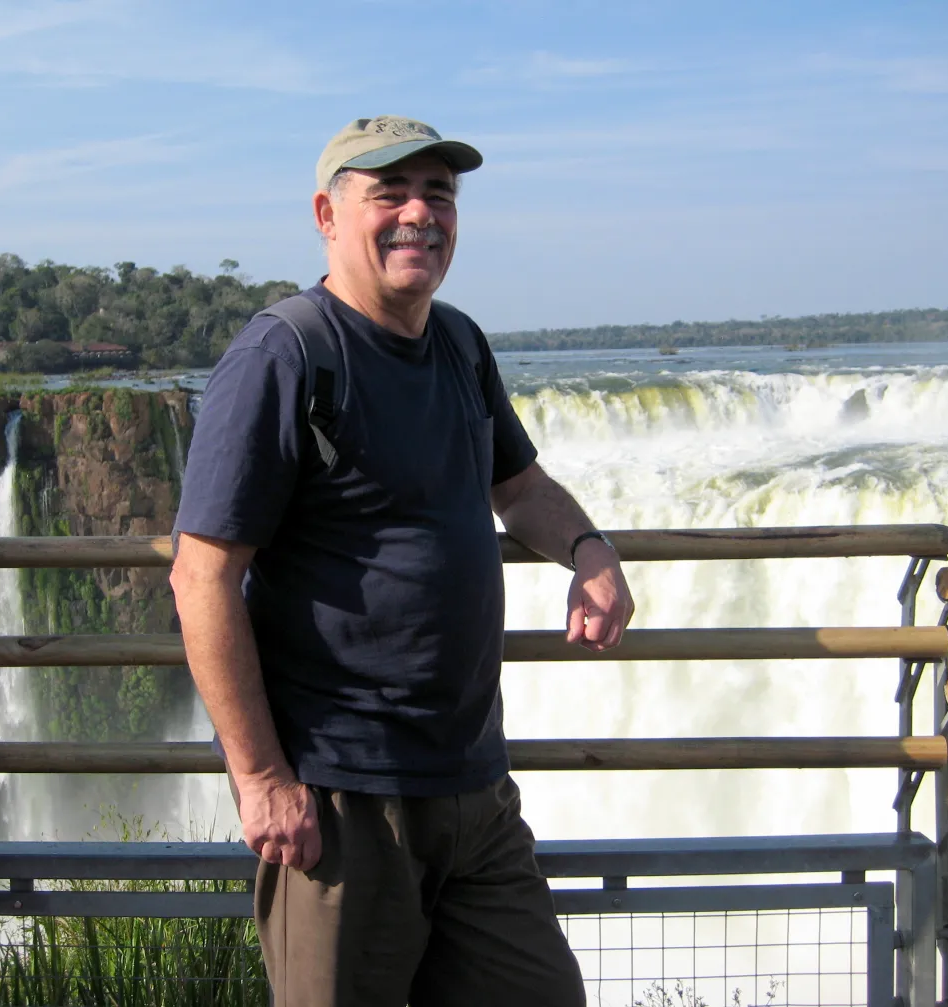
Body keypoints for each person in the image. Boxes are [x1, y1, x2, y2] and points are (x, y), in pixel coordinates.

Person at [170, 115, 635, 1007]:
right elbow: (201, 577)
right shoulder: (285, 354)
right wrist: (262, 778)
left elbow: (521, 486)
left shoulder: (459, 345)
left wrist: (588, 548)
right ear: (327, 214)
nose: (420, 213)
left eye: (441, 194)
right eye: (391, 192)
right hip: (342, 804)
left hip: (476, 792)